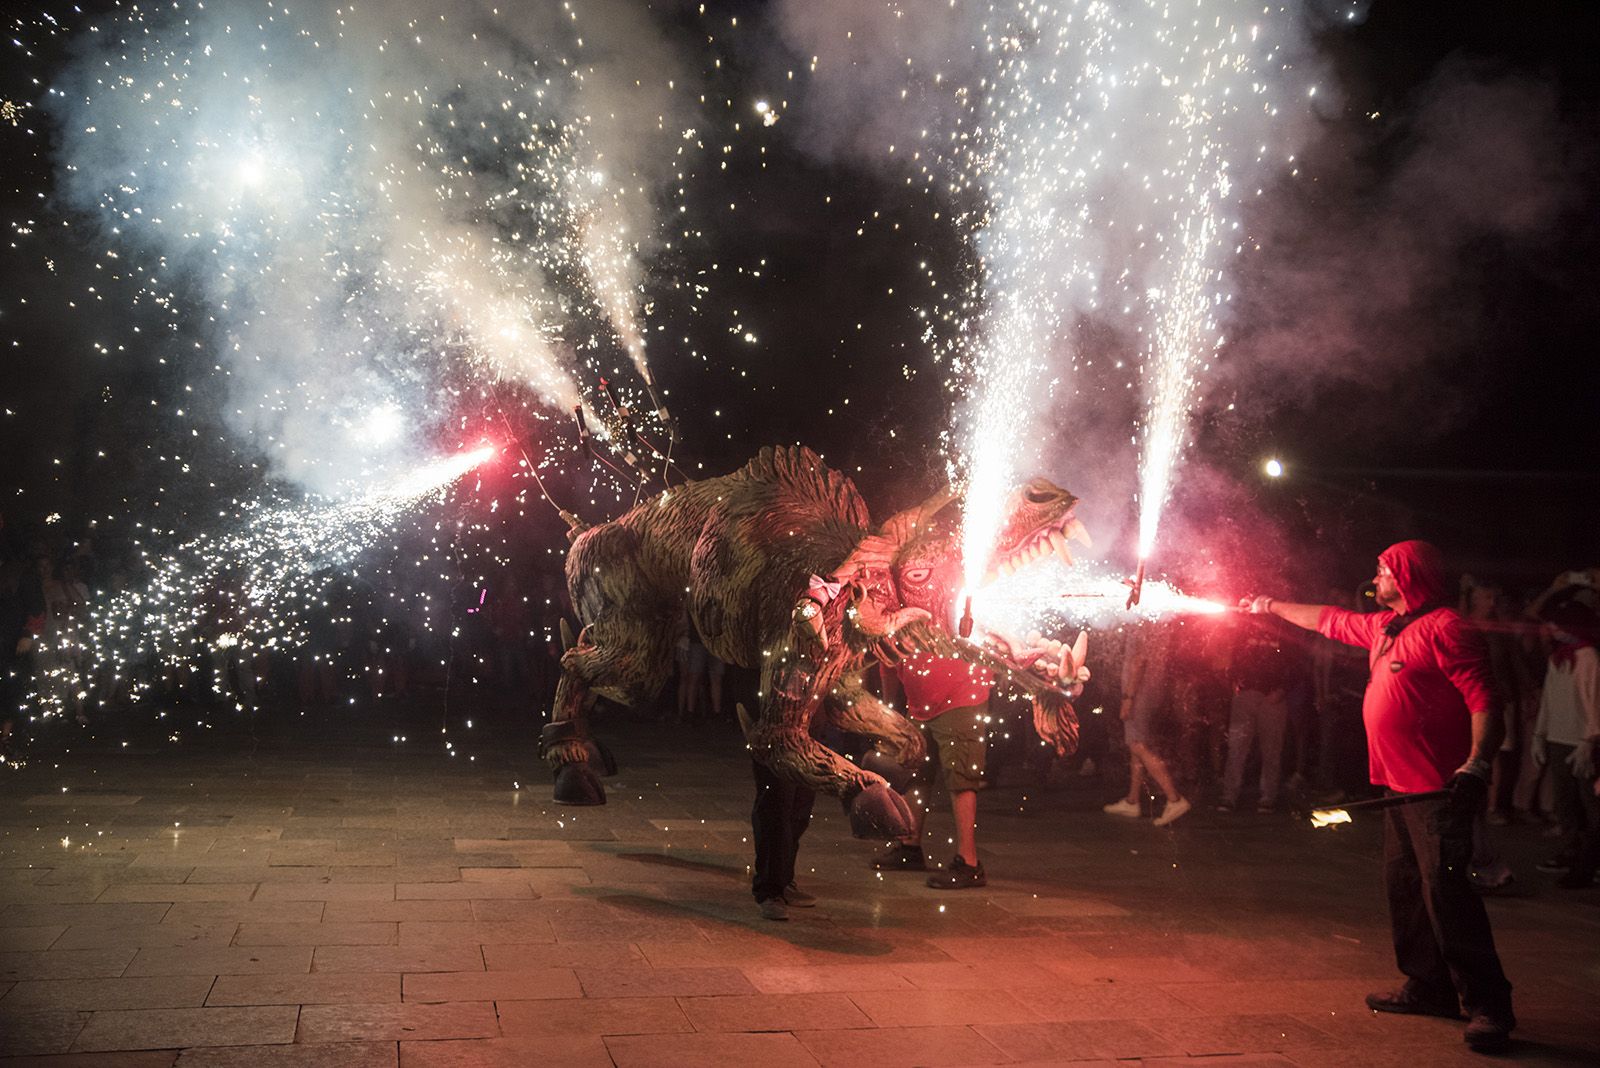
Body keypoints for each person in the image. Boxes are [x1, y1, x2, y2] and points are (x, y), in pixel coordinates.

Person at [1240, 539, 1514, 1054]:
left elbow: (1485, 698)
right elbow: (1328, 619)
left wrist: (1477, 761)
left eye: (1385, 570)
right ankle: (1427, 987)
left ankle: (1489, 1006)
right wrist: (1269, 606)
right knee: (1406, 889)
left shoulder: (1448, 628)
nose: (1376, 576)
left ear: (1408, 577)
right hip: (1397, 787)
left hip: (1438, 790)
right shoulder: (1385, 626)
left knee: (1448, 895)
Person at [875, 653, 995, 888]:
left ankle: (969, 863)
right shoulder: (899, 617)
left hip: (961, 694)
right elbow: (888, 660)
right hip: (921, 699)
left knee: (961, 774)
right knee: (915, 768)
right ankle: (909, 846)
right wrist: (890, 711)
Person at [1528, 579, 1599, 890]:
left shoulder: (1588, 658)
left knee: (1590, 805)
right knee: (1565, 804)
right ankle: (1575, 853)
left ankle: (1589, 861)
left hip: (1580, 743)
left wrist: (1589, 740)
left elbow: (1594, 700)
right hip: (1559, 740)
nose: (1552, 630)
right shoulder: (1558, 658)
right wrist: (1540, 735)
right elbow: (1548, 700)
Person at [1104, 622, 1192, 826]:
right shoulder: (1157, 623)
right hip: (1151, 691)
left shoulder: (1140, 623)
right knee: (1137, 745)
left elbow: (1138, 660)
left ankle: (1174, 799)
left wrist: (1128, 697)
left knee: (1137, 745)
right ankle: (1132, 801)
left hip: (1140, 694)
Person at [1218, 614, 1294, 813]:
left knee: (1271, 751)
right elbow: (1235, 655)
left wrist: (1282, 689)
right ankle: (1229, 796)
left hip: (1273, 697)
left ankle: (1268, 797)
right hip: (1246, 693)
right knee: (1237, 749)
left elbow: (1295, 662)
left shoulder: (1284, 628)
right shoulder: (1246, 627)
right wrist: (1235, 681)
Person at [750, 750, 817, 921]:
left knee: (800, 808)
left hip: (808, 741)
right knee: (776, 805)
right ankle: (769, 890)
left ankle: (784, 878)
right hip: (775, 737)